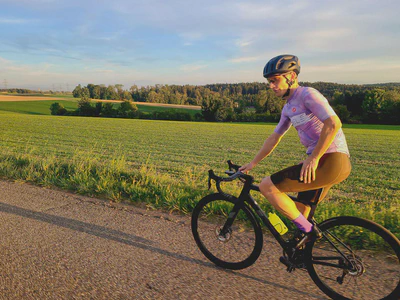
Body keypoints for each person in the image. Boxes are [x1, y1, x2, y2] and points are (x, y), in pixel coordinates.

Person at [239, 54, 351, 242]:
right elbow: (274, 138)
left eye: (275, 81)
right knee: (300, 211)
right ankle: (302, 252)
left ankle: (311, 232)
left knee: (268, 186)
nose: (271, 86)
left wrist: (313, 158)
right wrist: (252, 163)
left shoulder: (308, 94)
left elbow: (333, 123)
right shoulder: (288, 108)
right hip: (324, 162)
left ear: (291, 77)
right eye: (269, 82)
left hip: (331, 160)